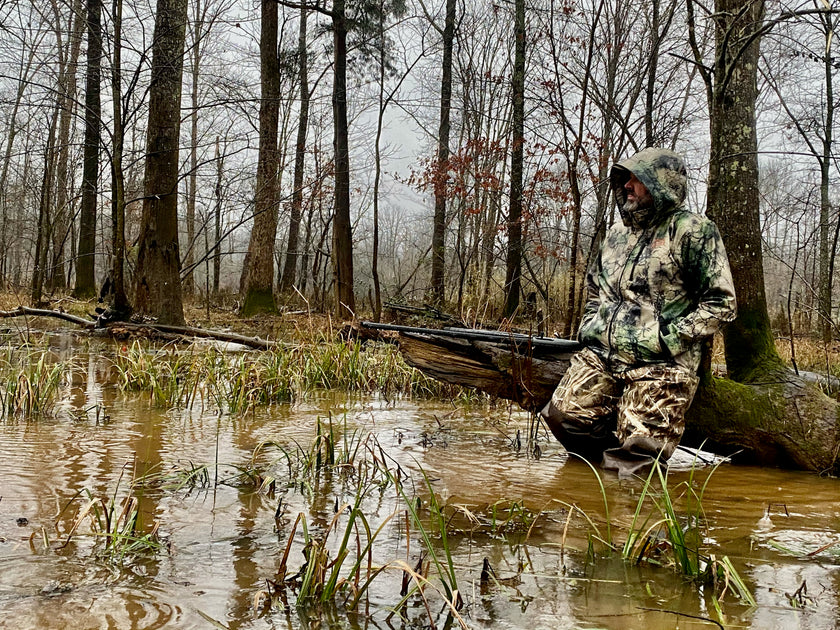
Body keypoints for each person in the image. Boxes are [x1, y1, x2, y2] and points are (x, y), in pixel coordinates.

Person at [541, 147, 737, 476]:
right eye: (625, 179)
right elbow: (596, 288)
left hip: (662, 364)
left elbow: (722, 302)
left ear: (661, 184)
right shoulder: (617, 235)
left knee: (637, 458)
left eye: (637, 178)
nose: (627, 185)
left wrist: (667, 339)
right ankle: (591, 488)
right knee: (562, 418)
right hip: (603, 355)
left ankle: (622, 487)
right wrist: (591, 325)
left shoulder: (692, 230)